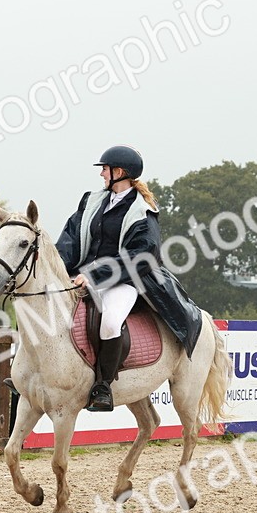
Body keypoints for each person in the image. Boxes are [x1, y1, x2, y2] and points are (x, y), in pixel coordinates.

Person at [55, 145, 203, 412]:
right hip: (82, 274)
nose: (101, 174)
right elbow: (71, 237)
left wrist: (95, 276)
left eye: (105, 168)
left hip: (123, 279)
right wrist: (59, 268)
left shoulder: (142, 211)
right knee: (44, 306)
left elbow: (143, 254)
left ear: (119, 172)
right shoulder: (91, 201)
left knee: (110, 323)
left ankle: (103, 386)